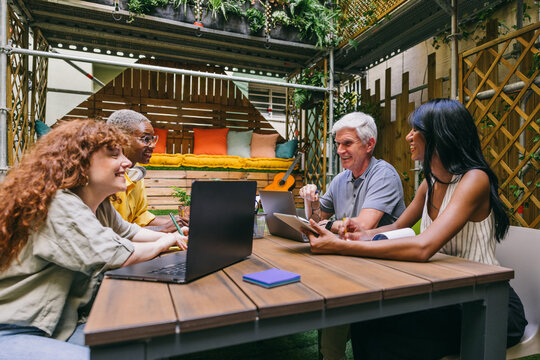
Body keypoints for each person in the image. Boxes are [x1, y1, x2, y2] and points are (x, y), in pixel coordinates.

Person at [306, 99, 527, 360]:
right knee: (368, 320)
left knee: (382, 330)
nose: (409, 136)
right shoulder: (430, 182)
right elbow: (398, 226)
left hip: (486, 304)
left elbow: (424, 246)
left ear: (439, 134)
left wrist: (341, 246)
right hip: (443, 293)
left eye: (416, 130)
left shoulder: (474, 179)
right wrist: (358, 233)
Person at [0, 120, 187, 360]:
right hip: (14, 330)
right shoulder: (59, 204)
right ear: (79, 162)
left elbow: (131, 232)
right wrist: (166, 241)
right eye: (113, 155)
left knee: (147, 346)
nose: (127, 163)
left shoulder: (98, 206)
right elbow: (119, 254)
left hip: (62, 325)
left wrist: (177, 236)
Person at [299, 112, 406, 360]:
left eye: (347, 143)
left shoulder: (384, 174)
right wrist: (309, 200)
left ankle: (331, 350)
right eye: (337, 144)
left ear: (369, 145)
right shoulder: (340, 180)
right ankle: (330, 352)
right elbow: (317, 221)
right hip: (351, 263)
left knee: (333, 299)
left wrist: (331, 224)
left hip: (384, 269)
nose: (339, 150)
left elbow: (362, 227)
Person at [106, 109, 188, 232]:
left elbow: (140, 218)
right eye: (146, 139)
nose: (153, 145)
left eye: (153, 139)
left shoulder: (135, 175)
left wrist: (178, 223)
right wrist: (163, 228)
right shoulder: (105, 178)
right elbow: (115, 232)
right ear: (121, 139)